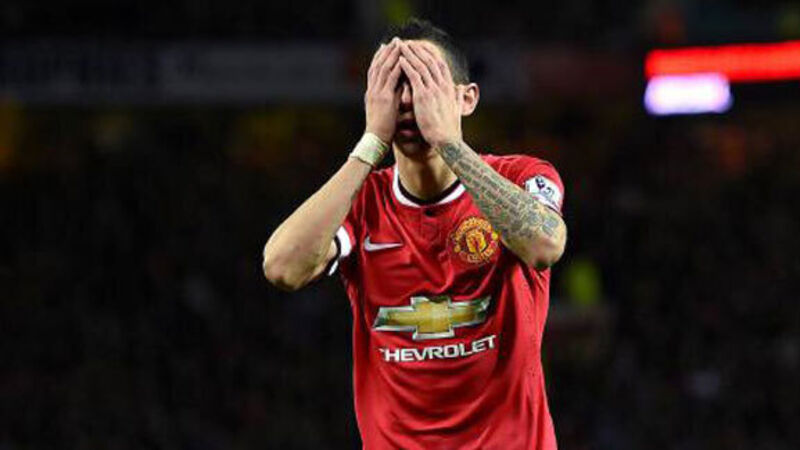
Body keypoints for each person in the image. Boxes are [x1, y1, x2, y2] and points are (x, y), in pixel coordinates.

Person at [263, 18, 567, 450]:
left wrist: (448, 142)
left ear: (466, 98)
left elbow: (545, 245)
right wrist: (371, 142)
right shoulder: (361, 201)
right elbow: (281, 267)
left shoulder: (521, 176)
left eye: (426, 81)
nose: (408, 99)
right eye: (395, 85)